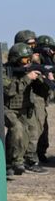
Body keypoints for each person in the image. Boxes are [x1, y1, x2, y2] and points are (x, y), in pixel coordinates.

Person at [4, 43, 50, 175]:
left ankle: (29, 161)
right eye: (25, 60)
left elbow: (42, 92)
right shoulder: (4, 71)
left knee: (32, 133)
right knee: (17, 129)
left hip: (25, 109)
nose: (28, 63)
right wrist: (27, 78)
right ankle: (13, 162)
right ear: (15, 59)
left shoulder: (29, 71)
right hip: (7, 108)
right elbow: (9, 90)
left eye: (30, 59)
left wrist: (45, 80)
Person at [34, 34, 55, 163]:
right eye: (46, 49)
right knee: (37, 126)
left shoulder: (49, 61)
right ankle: (33, 156)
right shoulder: (35, 61)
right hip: (35, 98)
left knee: (43, 125)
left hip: (43, 98)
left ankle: (40, 152)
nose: (50, 52)